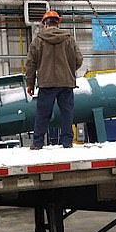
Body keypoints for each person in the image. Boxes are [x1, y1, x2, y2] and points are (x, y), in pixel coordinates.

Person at [26, 10, 83, 149]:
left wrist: (30, 84)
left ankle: (38, 143)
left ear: (45, 24)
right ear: (58, 23)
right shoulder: (69, 39)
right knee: (67, 113)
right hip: (66, 83)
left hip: (46, 84)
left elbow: (30, 64)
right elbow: (79, 60)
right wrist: (68, 71)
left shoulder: (38, 41)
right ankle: (67, 142)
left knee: (43, 114)